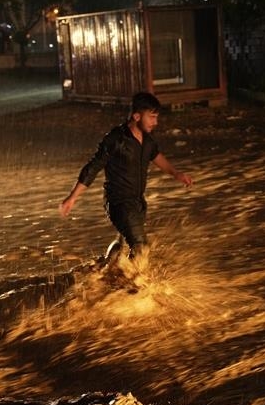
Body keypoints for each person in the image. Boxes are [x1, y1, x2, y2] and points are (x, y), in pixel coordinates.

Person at [59, 92, 193, 273]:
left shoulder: (147, 140)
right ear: (136, 116)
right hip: (118, 202)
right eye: (152, 117)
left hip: (138, 202)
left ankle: (105, 273)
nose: (156, 122)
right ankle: (133, 289)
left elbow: (156, 156)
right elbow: (93, 167)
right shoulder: (117, 139)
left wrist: (176, 173)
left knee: (124, 245)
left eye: (157, 117)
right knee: (141, 246)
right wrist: (72, 197)